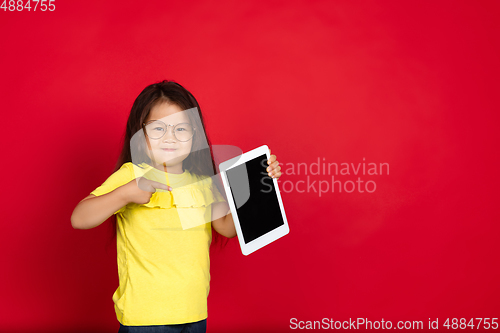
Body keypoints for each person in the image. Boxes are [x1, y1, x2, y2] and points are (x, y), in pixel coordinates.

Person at [70, 80, 283, 333]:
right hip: (146, 317)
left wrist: (260, 186)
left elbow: (226, 228)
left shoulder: (202, 182)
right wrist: (125, 194)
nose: (170, 137)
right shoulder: (132, 175)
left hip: (194, 312)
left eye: (181, 129)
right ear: (140, 133)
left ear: (195, 136)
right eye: (158, 128)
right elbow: (79, 218)